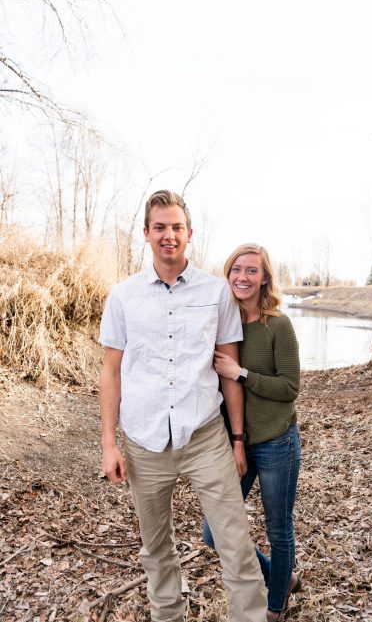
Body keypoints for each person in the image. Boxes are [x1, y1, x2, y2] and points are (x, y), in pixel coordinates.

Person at [98, 191, 267, 622]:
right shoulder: (123, 296)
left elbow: (228, 372)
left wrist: (238, 440)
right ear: (146, 234)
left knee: (235, 544)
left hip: (205, 435)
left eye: (176, 227)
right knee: (156, 548)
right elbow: (111, 373)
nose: (168, 235)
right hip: (144, 441)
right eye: (160, 227)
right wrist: (108, 444)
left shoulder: (217, 293)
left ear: (189, 234)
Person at [202, 243, 302, 622]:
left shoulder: (278, 325)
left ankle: (276, 605)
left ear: (264, 279)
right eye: (236, 270)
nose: (242, 277)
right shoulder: (218, 325)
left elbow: (290, 388)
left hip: (278, 442)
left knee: (279, 529)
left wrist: (240, 373)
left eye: (251, 271)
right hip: (235, 443)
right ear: (228, 275)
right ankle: (279, 576)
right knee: (214, 533)